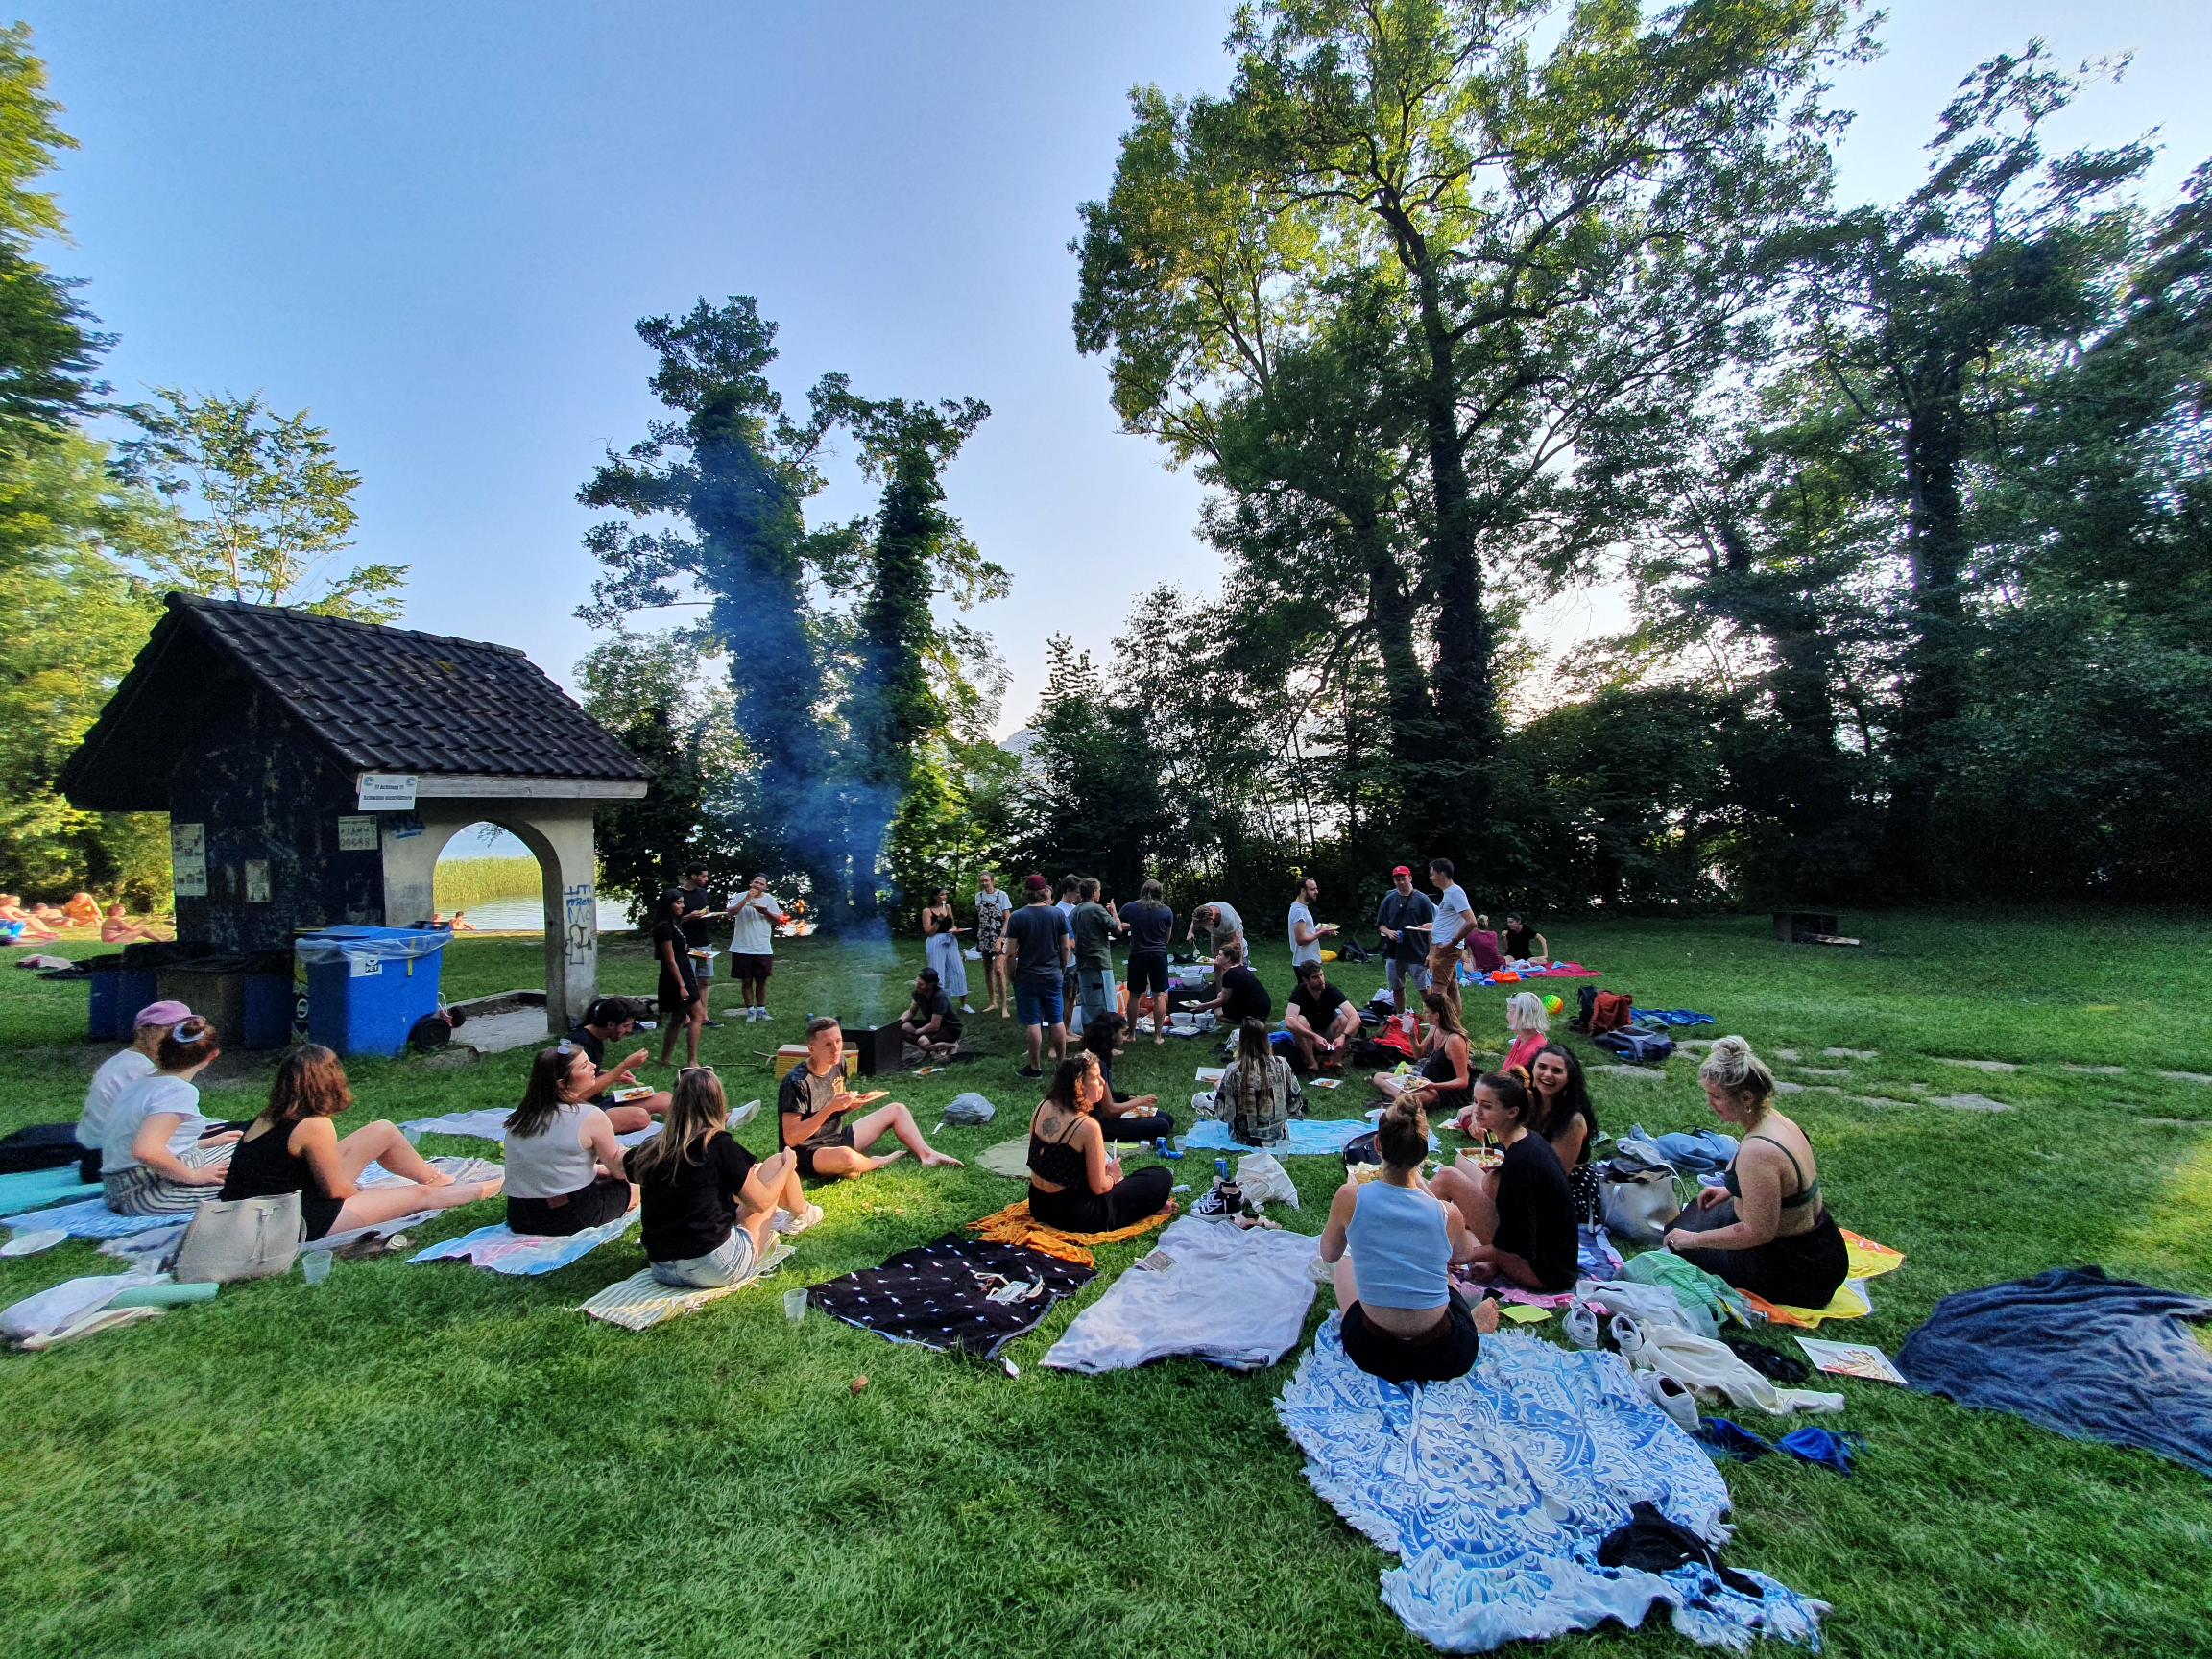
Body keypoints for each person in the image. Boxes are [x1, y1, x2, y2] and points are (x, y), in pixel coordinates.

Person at [221, 1045, 501, 1238]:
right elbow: (334, 1191)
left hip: (254, 1210)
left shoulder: (269, 1115)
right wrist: (364, 1195)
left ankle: (436, 1177)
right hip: (289, 1221)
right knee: (420, 1198)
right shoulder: (315, 1125)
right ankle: (500, 1183)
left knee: (382, 1130)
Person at [1662, 1036, 1849, 1310]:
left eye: (1716, 1096)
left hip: (1799, 1270)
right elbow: (1785, 1185)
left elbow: (1757, 1233)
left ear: (1746, 1097)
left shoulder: (1758, 1151)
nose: (1709, 1103)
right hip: (1824, 1246)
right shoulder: (1777, 1121)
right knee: (1687, 1221)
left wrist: (1693, 1241)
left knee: (1677, 1238)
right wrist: (1730, 1190)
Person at [1320, 1096, 1498, 1383]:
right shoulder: (1446, 1214)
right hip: (1446, 1355)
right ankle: (1469, 1322)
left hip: (1372, 1352)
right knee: (1442, 1268)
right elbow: (1461, 1256)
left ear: (1377, 1145)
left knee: (1344, 1260)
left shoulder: (1349, 1197)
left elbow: (1328, 1253)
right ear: (1424, 1152)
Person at [628, 1065, 817, 1289]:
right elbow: (762, 1202)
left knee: (769, 1167)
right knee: (778, 1166)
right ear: (719, 1103)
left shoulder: (652, 1147)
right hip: (714, 1267)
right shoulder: (718, 1145)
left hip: (661, 1267)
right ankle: (801, 1213)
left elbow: (628, 1168)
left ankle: (802, 1212)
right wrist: (790, 1165)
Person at [1429, 1070, 1578, 1292]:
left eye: (1487, 1106)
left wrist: (1465, 1256)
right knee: (1463, 1169)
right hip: (1537, 1251)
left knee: (1447, 1178)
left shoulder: (1521, 1161)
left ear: (1512, 1112)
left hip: (1542, 1271)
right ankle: (1428, 1234)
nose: (1477, 1111)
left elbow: (1516, 1243)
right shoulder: (1525, 1139)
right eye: (1476, 1102)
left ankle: (1417, 1241)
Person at [780, 1017, 962, 1178]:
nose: (836, 1049)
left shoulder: (839, 1062)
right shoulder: (796, 1082)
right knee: (847, 1157)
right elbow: (792, 1138)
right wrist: (831, 1108)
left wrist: (850, 1105)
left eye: (839, 1041)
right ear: (812, 1049)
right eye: (828, 1044)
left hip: (835, 1137)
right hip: (807, 1151)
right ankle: (877, 1162)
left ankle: (927, 1155)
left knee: (897, 1109)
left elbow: (834, 1108)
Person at [99, 1017, 238, 1214]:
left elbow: (134, 1140)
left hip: (118, 1187)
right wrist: (194, 1175)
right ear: (213, 1055)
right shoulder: (176, 1091)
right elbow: (146, 1151)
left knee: (243, 1147)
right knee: (256, 1174)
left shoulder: (140, 1083)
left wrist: (204, 1143)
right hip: (148, 1191)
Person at [1025, 1052, 1174, 1233]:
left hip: (1038, 1205)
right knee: (1160, 1177)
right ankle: (1145, 1207)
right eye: (1096, 1078)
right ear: (1079, 1085)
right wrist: (1112, 1174)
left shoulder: (1042, 1105)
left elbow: (1052, 1163)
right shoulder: (1087, 1126)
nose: (1103, 1083)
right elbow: (1100, 1187)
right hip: (1075, 1216)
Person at [502, 1045, 639, 1236]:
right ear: (561, 1083)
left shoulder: (521, 1116)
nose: (593, 1066)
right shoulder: (589, 1116)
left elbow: (551, 1163)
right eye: (584, 1066)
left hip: (520, 1215)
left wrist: (598, 1169)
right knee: (635, 1185)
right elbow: (619, 1171)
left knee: (600, 1174)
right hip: (568, 1215)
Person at [76, 998, 191, 1182]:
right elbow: (155, 1135)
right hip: (110, 1160)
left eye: (179, 1031)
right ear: (143, 1032)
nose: (173, 1038)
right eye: (166, 1030)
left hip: (95, 1154)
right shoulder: (141, 1071)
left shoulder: (124, 1061)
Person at [1001, 874, 1072, 1079]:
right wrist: (1062, 967)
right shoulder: (1058, 914)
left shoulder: (1017, 917)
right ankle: (1061, 1066)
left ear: (1026, 892)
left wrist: (1011, 972)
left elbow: (1011, 952)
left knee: (1033, 1022)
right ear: (1044, 892)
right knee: (1056, 1020)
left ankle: (1035, 1068)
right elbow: (1065, 946)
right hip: (1052, 974)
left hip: (1027, 975)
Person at [565, 999, 666, 1131]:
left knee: (664, 1098)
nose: (629, 1030)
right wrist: (623, 1067)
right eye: (625, 1026)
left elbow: (589, 1077)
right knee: (639, 1117)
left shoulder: (595, 1038)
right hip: (580, 1111)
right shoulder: (580, 1045)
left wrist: (610, 1075)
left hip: (597, 1102)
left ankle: (690, 1137)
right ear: (611, 1024)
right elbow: (578, 1094)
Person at [1375, 990, 1473, 1123]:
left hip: (1443, 1090)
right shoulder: (1435, 1028)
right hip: (1425, 1081)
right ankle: (1403, 1100)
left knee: (1417, 1097)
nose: (1425, 1016)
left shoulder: (1454, 1040)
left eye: (1427, 1012)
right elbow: (1418, 1055)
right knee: (1379, 1077)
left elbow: (1463, 1081)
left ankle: (1403, 1100)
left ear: (1437, 1015)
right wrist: (1412, 1037)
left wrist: (1433, 1085)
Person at [1528, 1043, 1601, 1221]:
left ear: (1569, 1078)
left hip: (1564, 1194)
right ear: (1532, 1068)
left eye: (1557, 1071)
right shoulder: (1529, 1103)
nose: (1547, 1075)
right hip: (1528, 1179)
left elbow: (1552, 1178)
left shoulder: (1572, 1121)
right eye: (1542, 1067)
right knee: (1463, 1163)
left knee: (1492, 1184)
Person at [1078, 1013, 1175, 1143]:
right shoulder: (1095, 1065)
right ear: (1112, 1035)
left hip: (1098, 1115)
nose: (1123, 1037)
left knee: (1167, 1118)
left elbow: (1105, 1094)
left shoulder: (1092, 1056)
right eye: (1122, 1033)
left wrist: (1128, 1098)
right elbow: (1110, 1110)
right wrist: (1139, 1101)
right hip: (1098, 1122)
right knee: (1162, 1125)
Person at [1210, 1017, 1305, 1147]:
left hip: (1244, 1138)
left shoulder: (1234, 1069)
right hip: (1278, 1136)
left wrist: (1219, 1087)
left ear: (1241, 1042)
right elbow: (1295, 1103)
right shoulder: (1283, 1064)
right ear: (1266, 1039)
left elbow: (1224, 1114)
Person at [1118, 879, 1176, 1045]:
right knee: (1158, 994)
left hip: (1138, 954)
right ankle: (1158, 1036)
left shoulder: (1131, 907)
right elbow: (1167, 937)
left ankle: (1131, 1034)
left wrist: (1134, 926)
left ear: (1143, 890)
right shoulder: (1166, 911)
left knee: (1135, 994)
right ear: (1160, 893)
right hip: (1158, 955)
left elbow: (1117, 925)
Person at [651, 888, 705, 1068]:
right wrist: (682, 985)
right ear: (669, 905)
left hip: (683, 972)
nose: (682, 905)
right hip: (676, 977)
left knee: (678, 1016)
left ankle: (665, 1058)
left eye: (682, 902)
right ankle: (693, 1061)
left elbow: (680, 950)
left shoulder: (674, 924)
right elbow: (670, 960)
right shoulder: (664, 929)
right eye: (678, 903)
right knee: (698, 1014)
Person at [728, 874, 789, 1023]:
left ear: (766, 887)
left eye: (762, 884)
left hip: (762, 947)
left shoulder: (769, 900)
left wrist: (765, 912)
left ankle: (761, 1010)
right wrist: (747, 899)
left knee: (761, 981)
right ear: (751, 883)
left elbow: (779, 921)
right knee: (746, 981)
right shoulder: (740, 896)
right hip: (742, 946)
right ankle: (750, 1011)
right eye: (756, 882)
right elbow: (731, 913)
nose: (758, 886)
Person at [1375, 864, 1435, 1017]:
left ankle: (1433, 1016)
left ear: (1410, 878)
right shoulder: (1389, 900)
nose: (1400, 882)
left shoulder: (1422, 899)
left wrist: (1431, 953)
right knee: (1397, 987)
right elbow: (1380, 925)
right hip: (1394, 952)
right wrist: (1388, 932)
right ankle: (1400, 1016)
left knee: (1423, 987)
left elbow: (1432, 928)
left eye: (1403, 878)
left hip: (1417, 951)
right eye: (1397, 879)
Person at [1285, 959, 1361, 1071]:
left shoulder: (1331, 990)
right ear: (1306, 980)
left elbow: (1355, 1017)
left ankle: (1336, 1062)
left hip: (1329, 1034)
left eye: (1322, 975)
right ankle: (1312, 1064)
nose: (1321, 980)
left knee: (1345, 1019)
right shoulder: (1299, 992)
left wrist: (1343, 1036)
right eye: (1316, 977)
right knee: (1299, 1020)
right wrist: (1314, 1036)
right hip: (1309, 1037)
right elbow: (1289, 1021)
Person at [678, 864, 729, 1027]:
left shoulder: (702, 893)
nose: (707, 879)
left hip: (703, 942)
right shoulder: (677, 894)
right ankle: (686, 1018)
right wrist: (688, 917)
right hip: (686, 943)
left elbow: (705, 912)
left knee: (704, 980)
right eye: (704, 876)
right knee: (688, 981)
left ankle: (703, 1016)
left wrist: (710, 915)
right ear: (693, 876)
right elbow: (671, 920)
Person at [1070, 878, 1118, 1036]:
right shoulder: (1096, 909)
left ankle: (1089, 1038)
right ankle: (1107, 1041)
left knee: (1088, 1003)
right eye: (1099, 890)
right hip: (1100, 963)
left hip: (1082, 963)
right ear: (1094, 892)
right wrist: (1114, 912)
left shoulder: (1075, 911)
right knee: (1106, 1002)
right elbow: (1117, 929)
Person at [1426, 859, 1475, 1015]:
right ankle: (1455, 1022)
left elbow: (1471, 921)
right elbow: (1450, 921)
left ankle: (1438, 1028)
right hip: (1447, 947)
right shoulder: (1449, 893)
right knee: (1452, 988)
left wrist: (1452, 942)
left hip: (1447, 949)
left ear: (1442, 874)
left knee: (1438, 991)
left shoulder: (1455, 892)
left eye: (1432, 874)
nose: (1430, 877)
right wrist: (1431, 927)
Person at [920, 886, 972, 1015]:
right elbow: (928, 932)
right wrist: (938, 920)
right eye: (942, 895)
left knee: (959, 972)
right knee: (938, 975)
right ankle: (939, 1007)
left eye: (945, 894)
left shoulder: (947, 907)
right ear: (935, 896)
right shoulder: (927, 911)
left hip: (951, 941)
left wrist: (955, 930)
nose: (945, 897)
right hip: (935, 943)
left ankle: (963, 1005)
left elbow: (952, 924)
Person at [899, 967, 962, 1058]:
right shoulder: (918, 993)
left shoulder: (939, 997)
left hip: (950, 1028)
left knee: (923, 1042)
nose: (917, 986)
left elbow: (934, 1026)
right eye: (917, 982)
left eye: (921, 984)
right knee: (903, 1027)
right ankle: (933, 1047)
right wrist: (898, 1023)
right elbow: (911, 1012)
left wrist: (917, 1031)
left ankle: (951, 1045)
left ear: (930, 985)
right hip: (932, 1024)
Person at [974, 871, 1014, 1018]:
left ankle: (1004, 1006)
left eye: (986, 881)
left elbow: (1008, 918)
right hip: (984, 935)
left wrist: (1001, 938)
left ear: (992, 881)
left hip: (999, 935)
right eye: (982, 881)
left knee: (999, 969)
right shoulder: (978, 897)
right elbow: (981, 916)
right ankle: (993, 1002)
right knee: (987, 968)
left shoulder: (1001, 895)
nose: (984, 883)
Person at [1202, 941, 1270, 1025]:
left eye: (1220, 955)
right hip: (1263, 1007)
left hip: (1256, 1010)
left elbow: (1223, 1000)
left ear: (1228, 958)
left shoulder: (1231, 974)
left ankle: (1249, 1023)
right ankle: (1252, 1020)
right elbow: (1221, 993)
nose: (1216, 957)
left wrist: (1203, 1006)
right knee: (1220, 996)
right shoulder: (1239, 968)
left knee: (1217, 1012)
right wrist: (1217, 970)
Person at [1286, 876, 1337, 969]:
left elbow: (1305, 932)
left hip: (1309, 961)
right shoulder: (1299, 911)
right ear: (1303, 891)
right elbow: (1301, 940)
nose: (1317, 892)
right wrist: (1321, 932)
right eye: (1313, 889)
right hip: (1306, 963)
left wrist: (1320, 929)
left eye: (1316, 888)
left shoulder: (1301, 908)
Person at [1503, 991, 1550, 1074]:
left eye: (1509, 1011)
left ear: (1521, 1016)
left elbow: (1516, 1083)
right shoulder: (1522, 1038)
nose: (1507, 1015)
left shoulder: (1531, 1052)